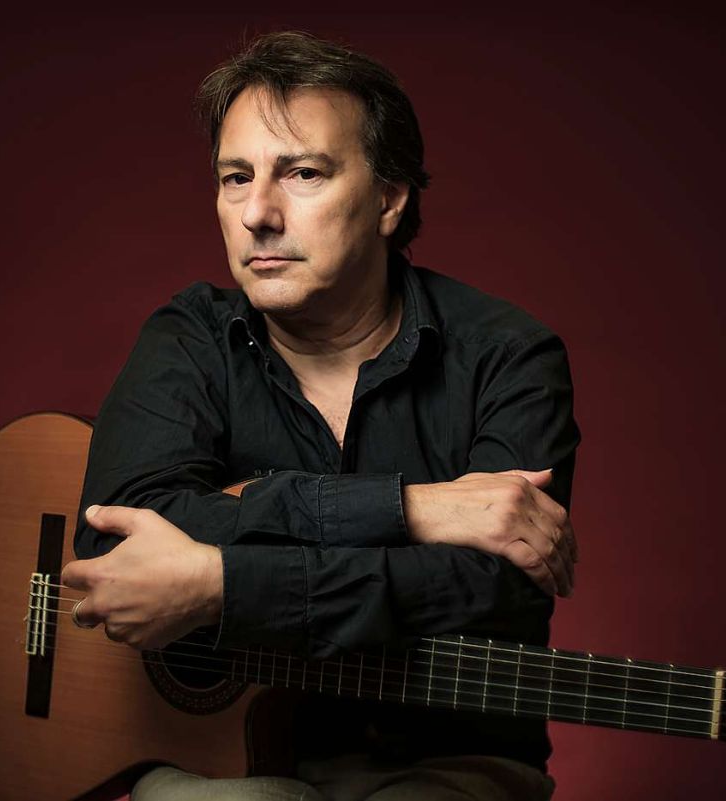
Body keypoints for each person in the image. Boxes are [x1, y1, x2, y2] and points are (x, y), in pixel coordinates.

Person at [61, 31, 579, 801]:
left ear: (389, 199)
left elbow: (487, 591)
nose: (257, 214)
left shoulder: (509, 356)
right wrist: (411, 509)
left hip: (443, 760)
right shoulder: (187, 339)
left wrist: (220, 583)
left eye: (302, 173)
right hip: (216, 758)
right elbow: (113, 544)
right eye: (235, 178)